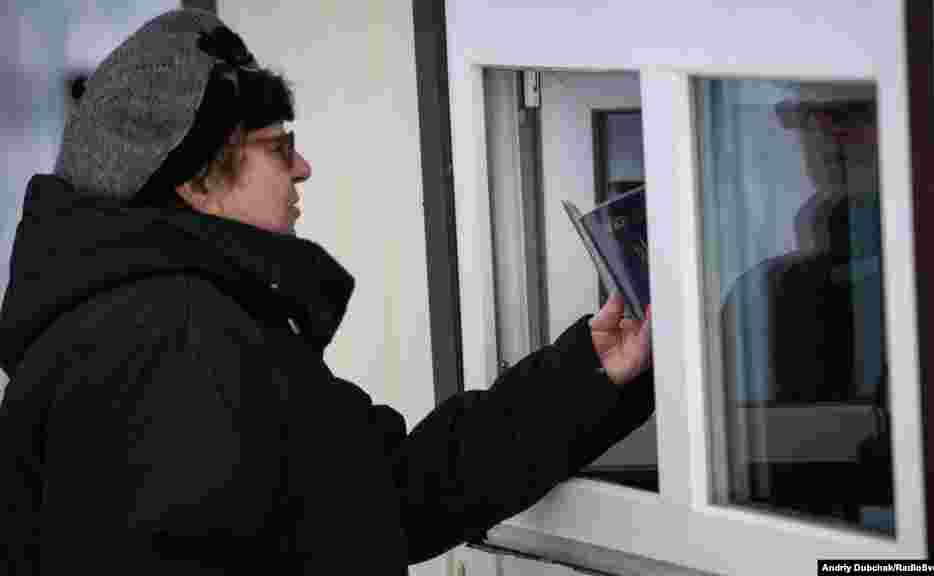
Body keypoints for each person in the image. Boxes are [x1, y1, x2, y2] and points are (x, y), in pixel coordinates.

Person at [0, 9, 654, 574]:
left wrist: (589, 375)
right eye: (280, 148)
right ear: (197, 181)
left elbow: (384, 495)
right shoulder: (176, 343)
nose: (304, 167)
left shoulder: (159, 322)